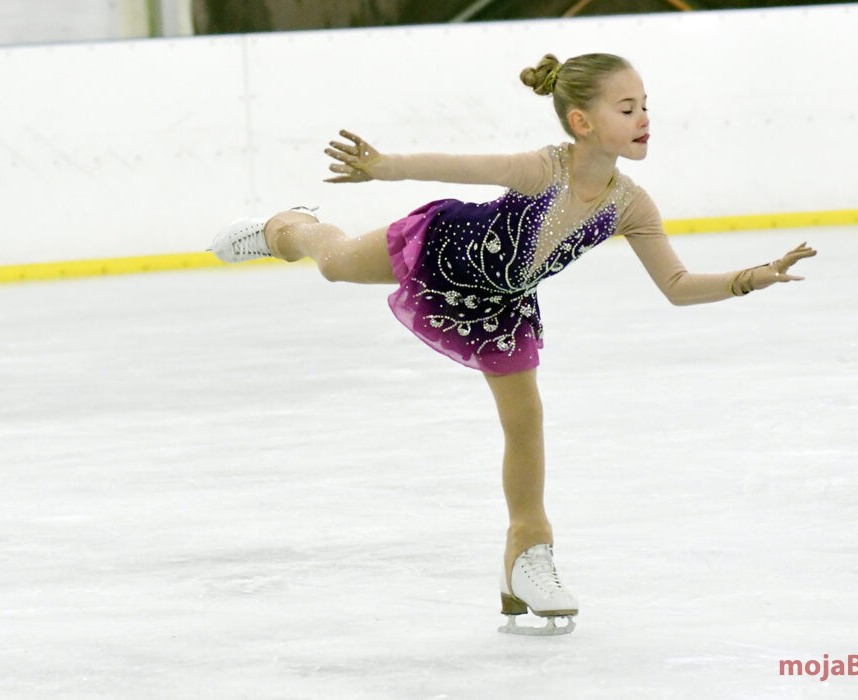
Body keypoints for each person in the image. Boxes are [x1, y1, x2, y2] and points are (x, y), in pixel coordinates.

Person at [209, 52, 816, 636]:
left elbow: (677, 287)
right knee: (334, 263)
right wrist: (385, 166)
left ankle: (527, 554)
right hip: (446, 248)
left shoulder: (630, 204)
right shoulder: (545, 169)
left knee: (526, 421)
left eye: (645, 106)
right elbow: (463, 167)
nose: (644, 119)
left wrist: (755, 276)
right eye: (627, 108)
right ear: (582, 121)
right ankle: (285, 226)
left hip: (503, 303)